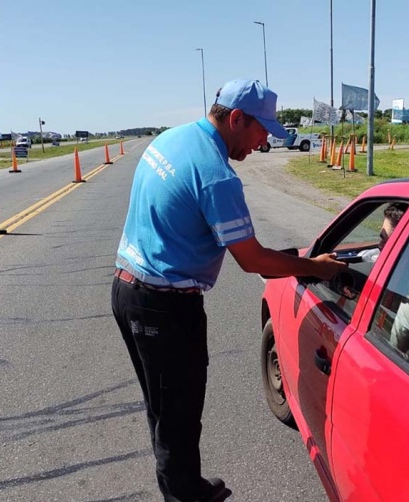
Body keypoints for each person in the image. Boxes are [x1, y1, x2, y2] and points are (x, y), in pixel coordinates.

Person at [110, 79, 347, 502]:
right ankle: (183, 495)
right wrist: (314, 268)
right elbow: (252, 260)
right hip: (164, 308)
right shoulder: (217, 176)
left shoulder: (174, 138)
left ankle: (183, 484)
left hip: (128, 291)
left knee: (164, 409)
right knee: (178, 414)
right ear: (236, 118)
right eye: (261, 131)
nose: (262, 142)